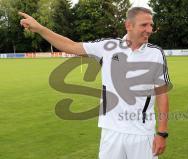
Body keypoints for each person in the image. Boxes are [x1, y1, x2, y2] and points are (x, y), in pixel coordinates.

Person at [19, 6, 171, 159]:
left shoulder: (156, 53)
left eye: (151, 24)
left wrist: (162, 133)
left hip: (142, 134)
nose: (150, 29)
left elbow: (162, 95)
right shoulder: (107, 47)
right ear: (128, 25)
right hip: (110, 131)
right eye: (144, 25)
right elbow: (71, 46)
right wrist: (39, 29)